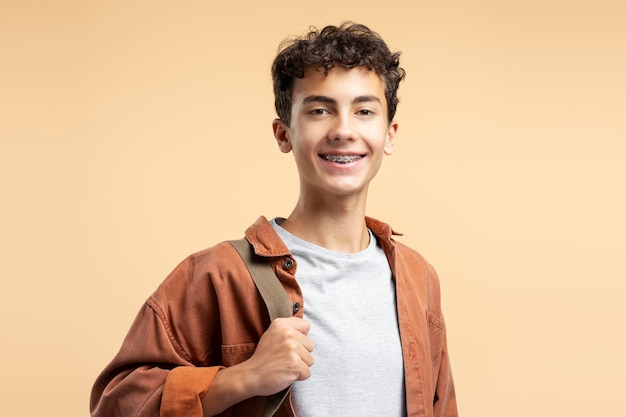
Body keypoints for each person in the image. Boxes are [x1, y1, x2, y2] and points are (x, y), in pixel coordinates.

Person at [90, 22, 458, 417]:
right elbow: (115, 404)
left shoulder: (417, 277)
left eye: (365, 111)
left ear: (390, 134)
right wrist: (243, 378)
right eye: (320, 110)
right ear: (284, 134)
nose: (344, 130)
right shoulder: (219, 275)